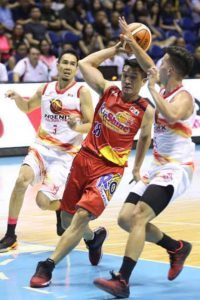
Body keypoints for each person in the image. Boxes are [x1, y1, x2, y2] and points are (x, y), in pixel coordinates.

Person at [29, 37, 155, 288]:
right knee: (67, 220)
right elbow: (86, 63)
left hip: (109, 170)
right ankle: (93, 239)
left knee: (81, 215)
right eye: (126, 75)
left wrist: (138, 166)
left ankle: (47, 265)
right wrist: (116, 49)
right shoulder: (109, 90)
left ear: (143, 81)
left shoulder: (145, 109)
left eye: (134, 77)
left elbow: (145, 138)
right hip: (84, 159)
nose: (128, 80)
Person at [93, 17, 196, 298]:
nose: (156, 65)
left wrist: (151, 90)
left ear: (171, 69)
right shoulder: (163, 84)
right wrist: (130, 37)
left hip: (177, 168)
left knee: (139, 216)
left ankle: (122, 280)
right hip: (157, 166)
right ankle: (176, 248)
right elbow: (146, 62)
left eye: (162, 63)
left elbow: (173, 115)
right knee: (126, 219)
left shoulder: (184, 96)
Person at [0, 49, 94, 253]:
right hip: (41, 148)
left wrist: (76, 128)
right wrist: (16, 96)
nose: (68, 67)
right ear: (57, 65)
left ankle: (60, 208)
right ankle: (10, 234)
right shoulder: (46, 88)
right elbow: (26, 108)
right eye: (65, 63)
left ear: (76, 69)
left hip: (64, 155)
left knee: (42, 202)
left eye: (72, 64)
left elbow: (92, 124)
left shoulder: (81, 92)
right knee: (20, 181)